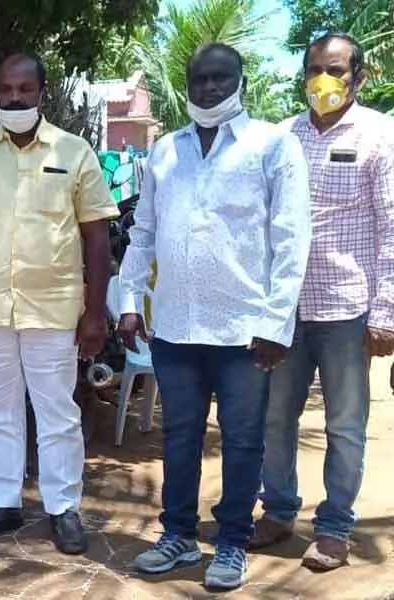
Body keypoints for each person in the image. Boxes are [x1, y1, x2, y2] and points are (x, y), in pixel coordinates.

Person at [118, 43, 311, 589]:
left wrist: (276, 324)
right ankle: (178, 536)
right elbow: (144, 231)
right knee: (178, 436)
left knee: (243, 439)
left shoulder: (273, 146)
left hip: (245, 331)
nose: (207, 89)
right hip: (176, 326)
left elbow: (292, 240)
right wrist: (130, 301)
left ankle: (229, 543)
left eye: (219, 79)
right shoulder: (165, 152)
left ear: (240, 81)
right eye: (198, 79)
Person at [0, 53, 116, 554]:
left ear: (42, 92)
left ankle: (63, 507)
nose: (14, 98)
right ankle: (3, 500)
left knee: (57, 410)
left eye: (24, 89)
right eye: (6, 89)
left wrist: (95, 311)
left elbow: (96, 237)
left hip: (53, 308)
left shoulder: (74, 151)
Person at [253, 32, 394, 571]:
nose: (323, 80)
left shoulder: (379, 136)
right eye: (314, 68)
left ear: (358, 77)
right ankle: (280, 511)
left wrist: (384, 313)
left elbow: (390, 230)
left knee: (344, 424)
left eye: (335, 69)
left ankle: (334, 527)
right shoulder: (283, 137)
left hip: (347, 308)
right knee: (275, 419)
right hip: (286, 309)